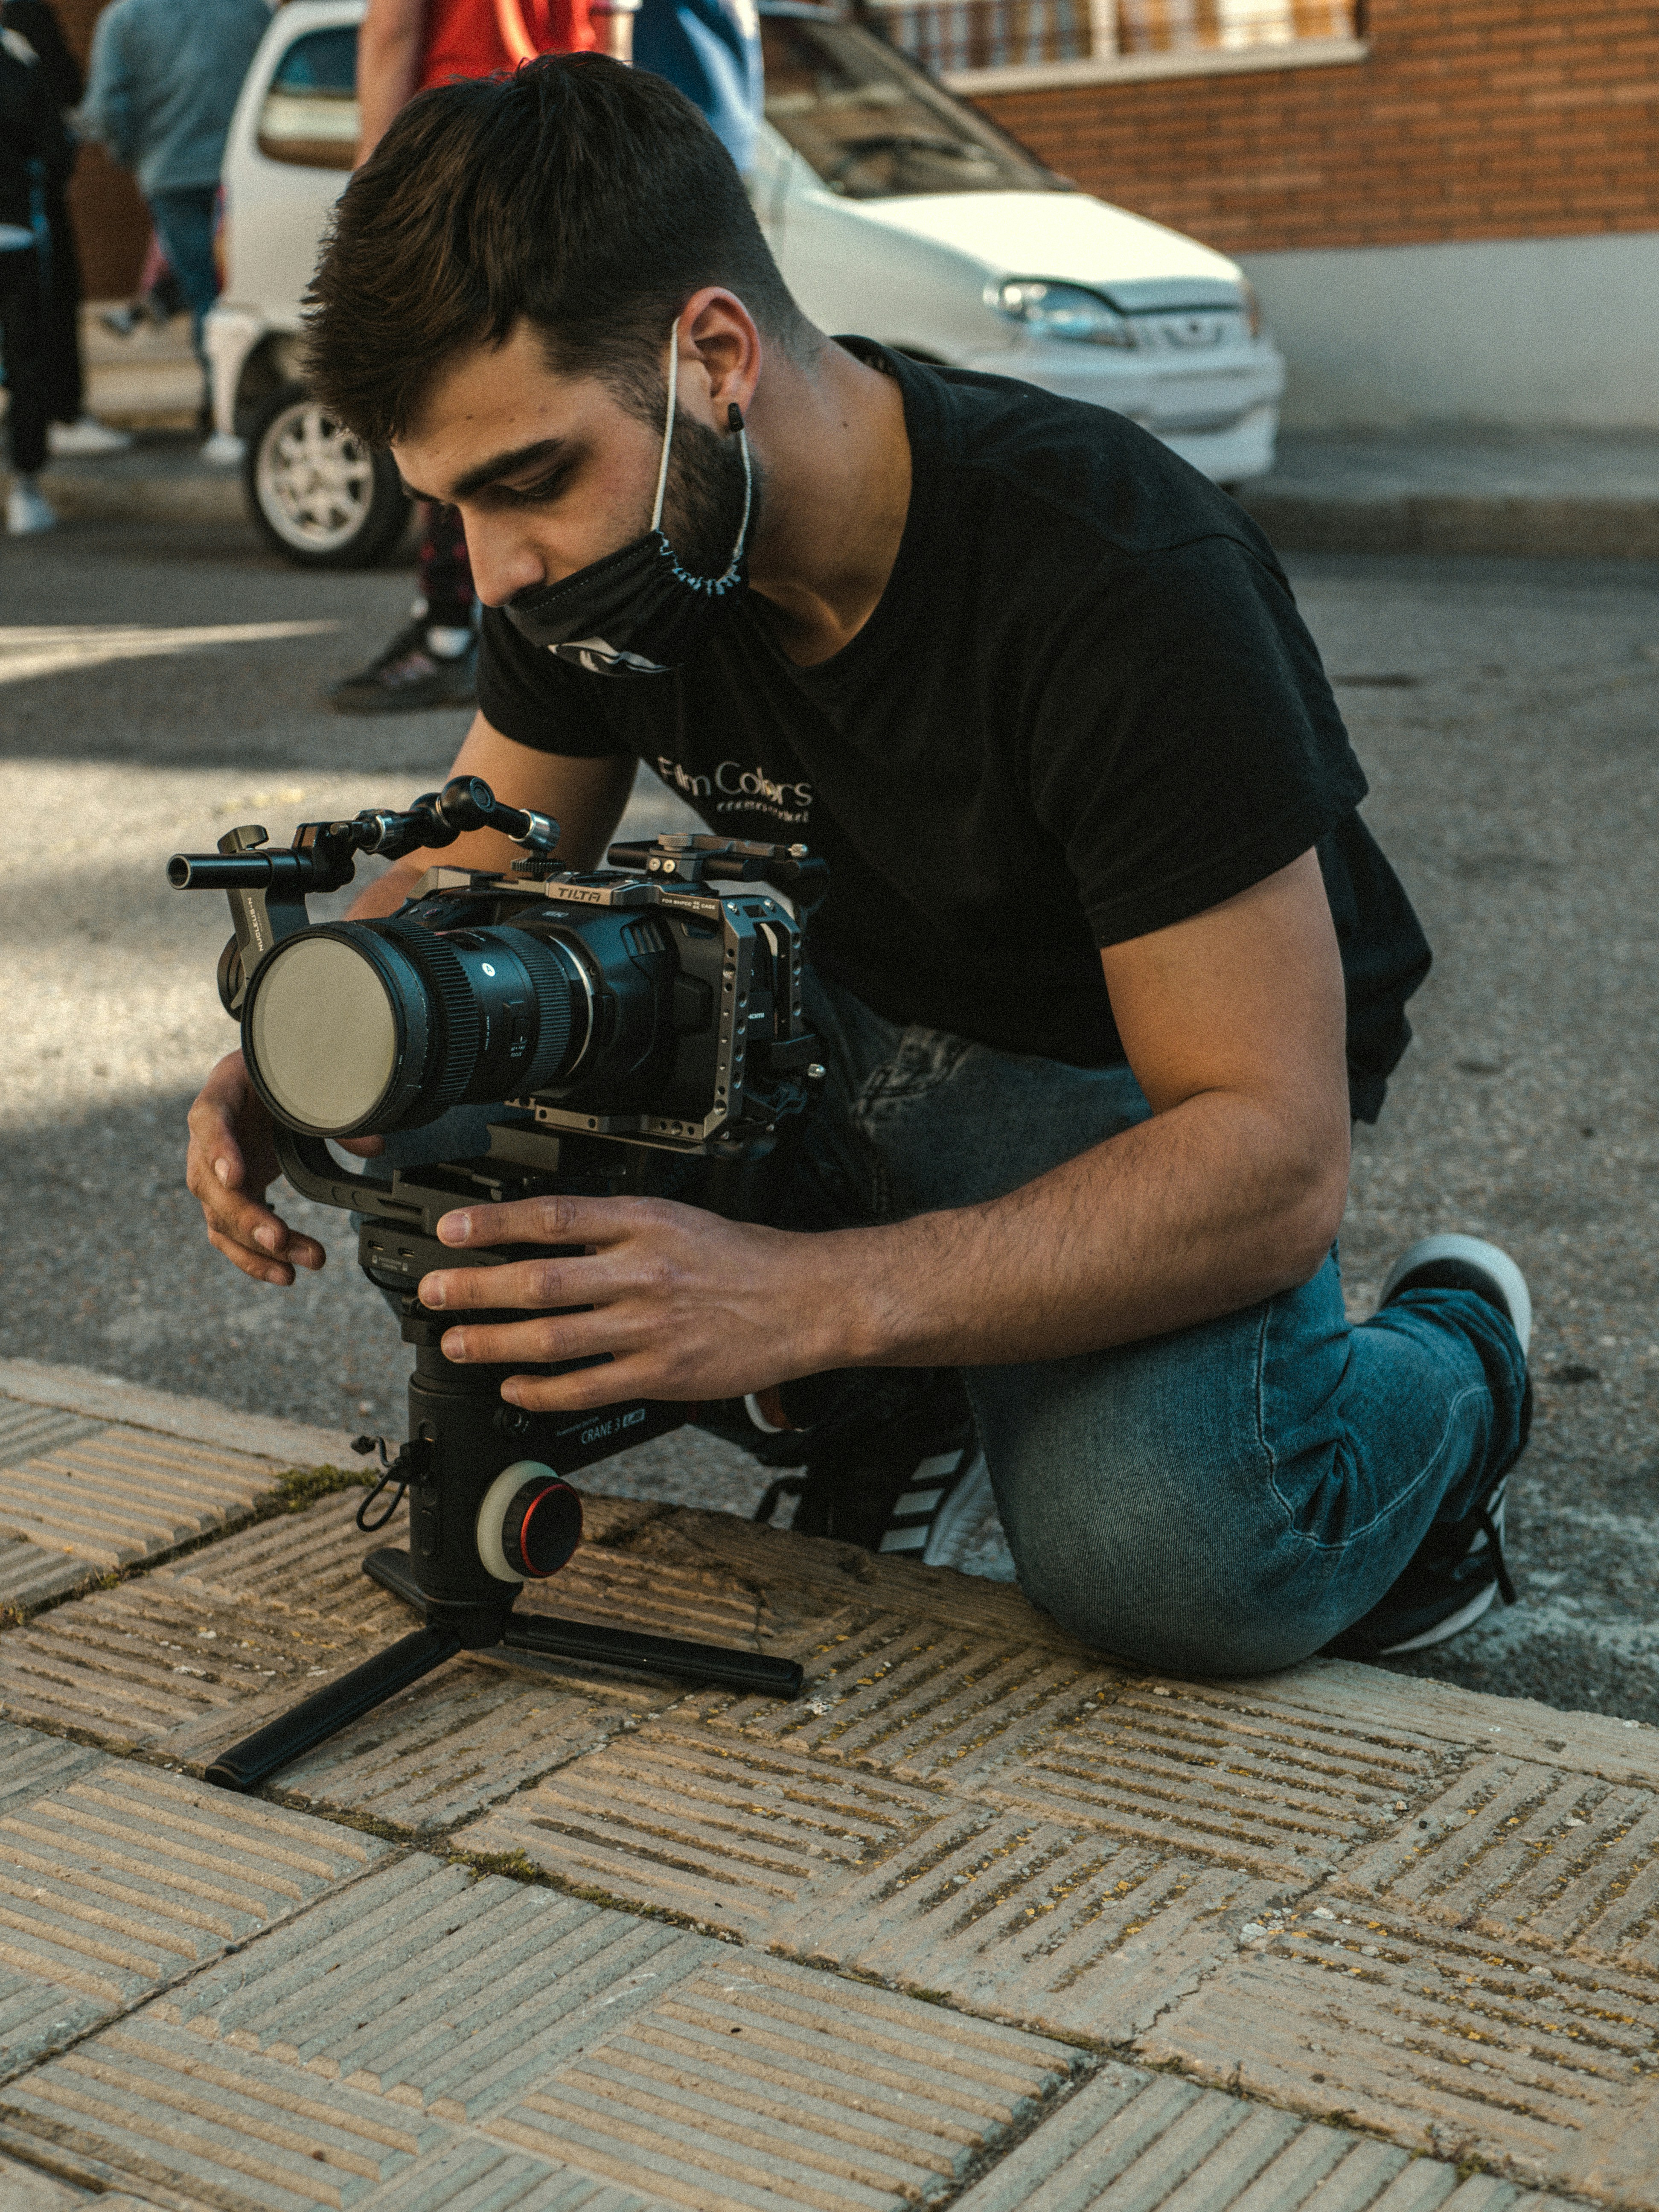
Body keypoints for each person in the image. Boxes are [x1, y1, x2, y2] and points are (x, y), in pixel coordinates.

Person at [186, 56, 1532, 1676]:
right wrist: (303, 1043)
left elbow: (1264, 1159)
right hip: (823, 1019)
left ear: (715, 357)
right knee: (442, 1091)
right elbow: (467, 863)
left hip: (1125, 1082)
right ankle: (906, 1382)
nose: (498, 570)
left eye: (528, 479)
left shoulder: (1114, 577)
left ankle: (1456, 1356)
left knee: (1170, 1558)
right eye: (451, 508)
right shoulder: (616, 566)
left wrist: (805, 1300)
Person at [330, 0, 763, 714]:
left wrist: (373, 193)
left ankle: (446, 632)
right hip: (574, 145)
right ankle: (640, 604)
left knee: (462, 425)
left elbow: (392, 30)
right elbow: (613, 17)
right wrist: (618, 160)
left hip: (458, 165)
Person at [79, 0, 269, 457]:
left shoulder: (127, 18)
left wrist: (135, 157)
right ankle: (243, 405)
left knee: (207, 293)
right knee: (247, 291)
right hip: (243, 170)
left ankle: (224, 414)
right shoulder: (250, 12)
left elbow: (105, 109)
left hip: (170, 172)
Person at [1, 0, 130, 459]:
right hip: (25, 218)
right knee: (39, 326)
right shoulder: (22, 29)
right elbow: (60, 97)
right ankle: (58, 417)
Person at [1, 12, 73, 533]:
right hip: (15, 234)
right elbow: (54, 146)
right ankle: (24, 487)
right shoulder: (17, 61)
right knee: (27, 361)